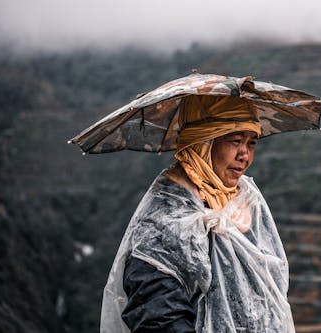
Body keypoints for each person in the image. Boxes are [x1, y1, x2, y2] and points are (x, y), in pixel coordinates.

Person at [100, 95, 295, 333]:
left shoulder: (242, 197)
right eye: (235, 140)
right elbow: (158, 316)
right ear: (203, 141)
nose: (244, 155)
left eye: (252, 143)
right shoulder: (166, 218)